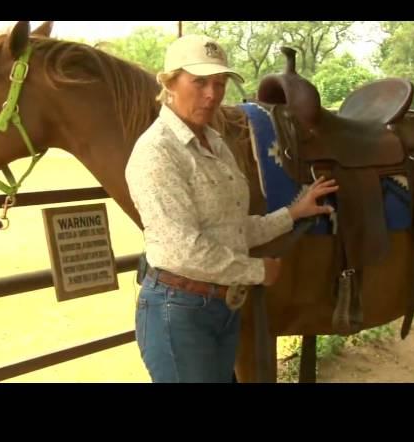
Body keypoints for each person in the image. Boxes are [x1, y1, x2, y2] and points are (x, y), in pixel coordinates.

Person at [125, 34, 338, 383]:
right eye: (200, 82)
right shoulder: (157, 153)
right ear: (170, 83)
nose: (212, 94)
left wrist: (293, 214)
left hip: (222, 307)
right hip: (178, 312)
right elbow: (183, 249)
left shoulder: (214, 142)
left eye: (220, 83)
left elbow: (232, 228)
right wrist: (256, 271)